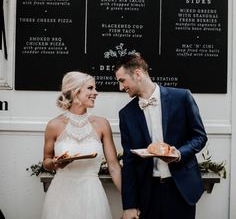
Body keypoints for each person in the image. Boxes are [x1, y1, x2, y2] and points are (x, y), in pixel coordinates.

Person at [113, 53, 208, 219]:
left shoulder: (182, 97)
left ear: (137, 74)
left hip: (181, 190)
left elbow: (199, 137)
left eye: (122, 80)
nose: (121, 87)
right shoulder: (126, 114)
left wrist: (179, 153)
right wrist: (129, 205)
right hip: (147, 194)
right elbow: (129, 161)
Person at [41, 71, 121, 219]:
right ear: (75, 90)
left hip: (92, 195)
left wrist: (129, 201)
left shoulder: (102, 124)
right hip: (60, 196)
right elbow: (46, 162)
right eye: (90, 88)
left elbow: (114, 166)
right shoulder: (54, 125)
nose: (96, 93)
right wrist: (55, 163)